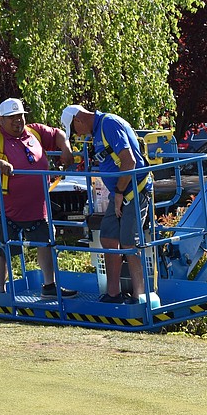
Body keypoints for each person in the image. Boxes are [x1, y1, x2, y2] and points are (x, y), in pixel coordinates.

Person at [0, 98, 77, 298]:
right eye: (12, 118)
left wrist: (66, 147)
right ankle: (0, 292)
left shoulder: (34, 132)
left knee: (46, 243)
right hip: (5, 210)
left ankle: (49, 287)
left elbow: (58, 134)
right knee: (2, 248)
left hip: (37, 207)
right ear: (1, 120)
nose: (18, 121)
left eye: (20, 116)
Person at [61, 104, 152, 303]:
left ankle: (140, 298)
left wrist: (119, 193)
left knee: (129, 242)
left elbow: (129, 162)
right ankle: (113, 294)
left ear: (79, 119)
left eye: (75, 130)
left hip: (135, 190)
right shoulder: (98, 129)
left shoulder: (109, 124)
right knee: (109, 238)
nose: (78, 135)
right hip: (119, 192)